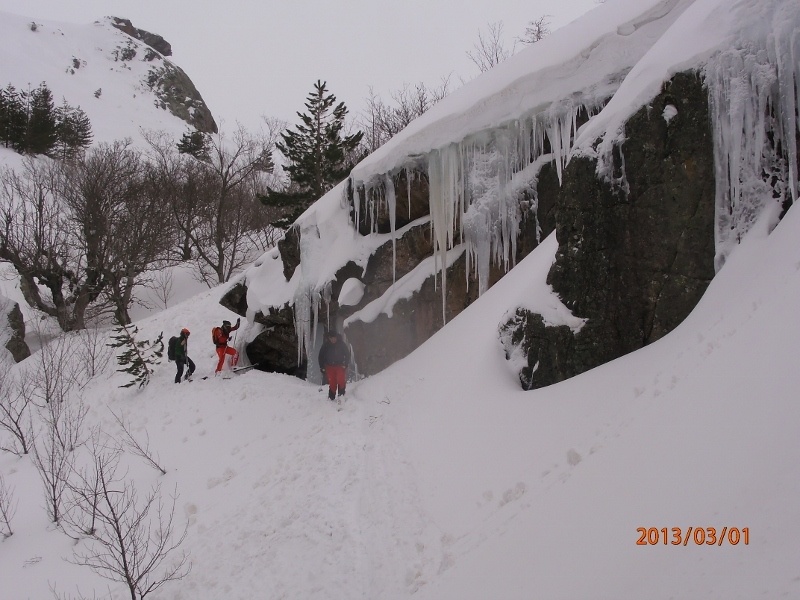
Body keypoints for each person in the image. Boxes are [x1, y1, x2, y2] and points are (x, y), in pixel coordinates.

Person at [318, 329, 350, 401]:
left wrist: (345, 364)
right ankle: (331, 397)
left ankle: (341, 395)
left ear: (336, 337)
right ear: (329, 338)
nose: (333, 339)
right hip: (329, 367)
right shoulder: (326, 345)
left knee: (341, 380)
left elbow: (347, 354)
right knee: (332, 382)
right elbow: (321, 356)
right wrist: (322, 367)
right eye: (331, 338)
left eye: (334, 338)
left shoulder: (341, 344)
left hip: (340, 366)